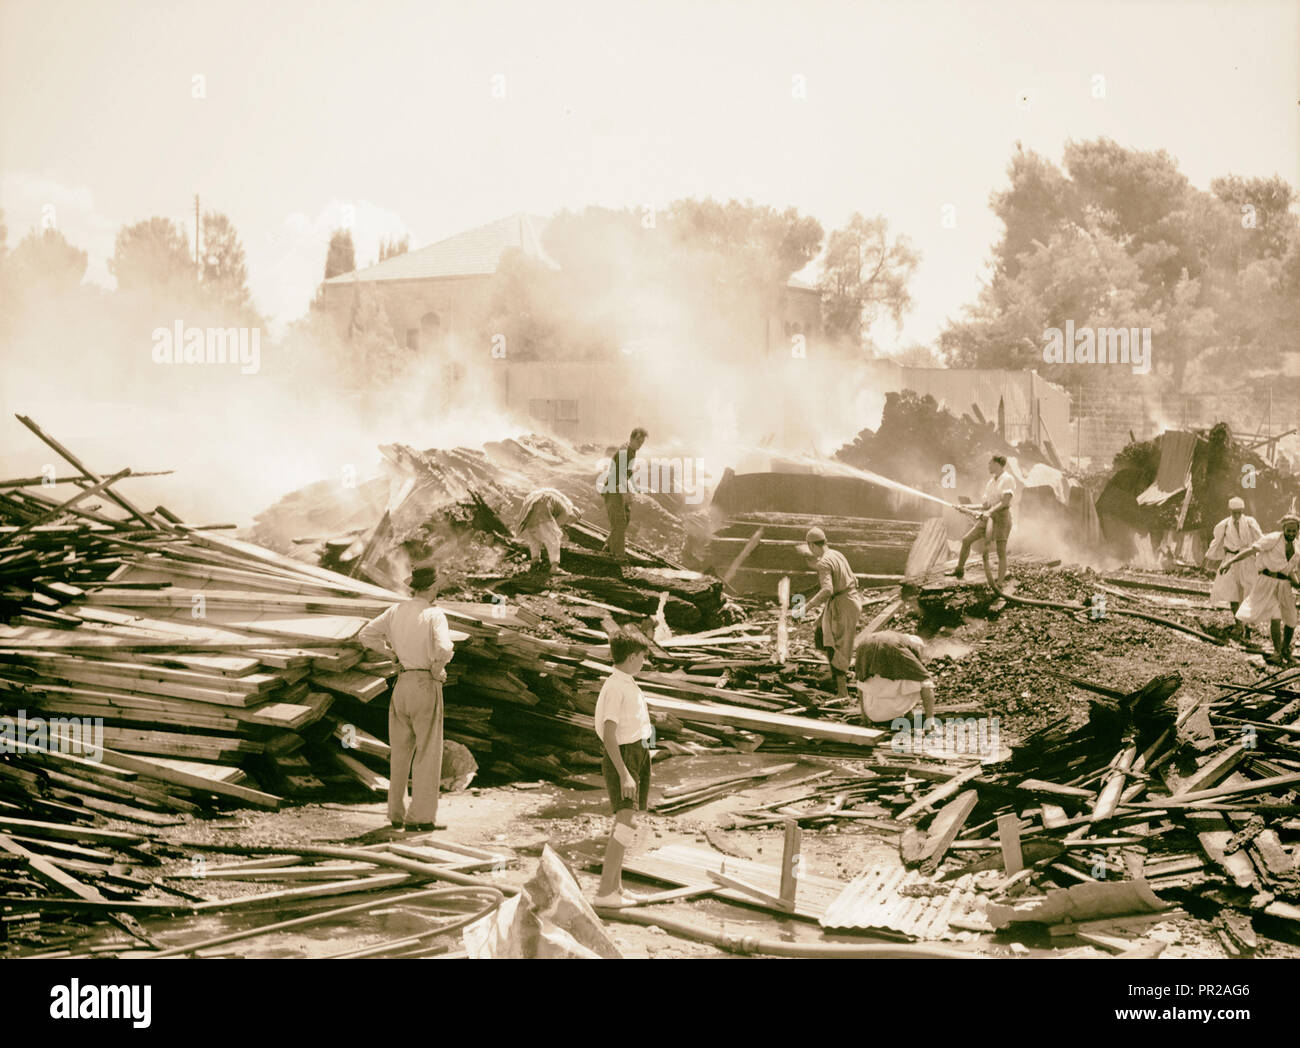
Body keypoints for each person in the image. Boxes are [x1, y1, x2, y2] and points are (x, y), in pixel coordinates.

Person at [357, 564, 455, 831]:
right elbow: (445, 648)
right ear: (433, 587)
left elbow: (365, 635)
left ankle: (396, 814)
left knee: (400, 753)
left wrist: (390, 654)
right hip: (425, 683)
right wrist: (437, 668)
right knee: (427, 751)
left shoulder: (395, 610)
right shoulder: (435, 614)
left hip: (401, 684)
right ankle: (420, 817)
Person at [593, 626, 653, 907]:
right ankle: (605, 892)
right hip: (624, 756)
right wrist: (625, 773)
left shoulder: (626, 681)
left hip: (637, 752)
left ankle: (615, 887)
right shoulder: (615, 686)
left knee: (628, 822)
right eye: (642, 656)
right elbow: (608, 734)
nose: (644, 662)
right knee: (625, 823)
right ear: (631, 657)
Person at [1220, 510, 1300, 665]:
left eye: (1294, 530)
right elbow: (1250, 550)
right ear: (1283, 529)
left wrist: (1297, 583)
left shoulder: (1297, 546)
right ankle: (1277, 653)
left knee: (1291, 620)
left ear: (1298, 530)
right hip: (1267, 582)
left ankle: (1286, 651)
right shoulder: (1273, 539)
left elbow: (1292, 570)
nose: (1291, 533)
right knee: (1275, 616)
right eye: (1288, 530)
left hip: (1285, 585)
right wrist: (1229, 562)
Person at [797, 526, 862, 698]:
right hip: (849, 599)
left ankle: (842, 692)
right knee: (820, 631)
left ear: (811, 545)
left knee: (837, 646)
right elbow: (854, 579)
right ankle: (832, 674)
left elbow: (827, 590)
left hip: (843, 604)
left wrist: (805, 607)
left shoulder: (824, 562)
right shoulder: (837, 553)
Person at [952, 454, 1016, 588]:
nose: (988, 466)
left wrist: (990, 512)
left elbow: (1005, 502)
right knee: (966, 540)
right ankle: (959, 569)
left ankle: (999, 583)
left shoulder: (1007, 479)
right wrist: (966, 507)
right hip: (989, 517)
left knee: (1001, 551)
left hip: (1002, 518)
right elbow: (986, 505)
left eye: (990, 463)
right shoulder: (991, 482)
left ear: (997, 464)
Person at [1206, 496, 1263, 638]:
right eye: (1234, 512)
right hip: (1230, 560)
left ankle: (1247, 623)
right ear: (1229, 511)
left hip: (1247, 559)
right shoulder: (1224, 525)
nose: (1236, 515)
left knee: (1248, 591)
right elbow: (1216, 542)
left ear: (1242, 510)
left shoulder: (1250, 522)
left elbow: (1260, 539)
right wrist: (1209, 558)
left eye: (1239, 512)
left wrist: (1263, 559)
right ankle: (1238, 624)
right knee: (1233, 593)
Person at [854, 630, 936, 723]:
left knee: (863, 677)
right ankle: (931, 722)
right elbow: (924, 683)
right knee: (925, 681)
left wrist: (864, 717)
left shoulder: (898, 639)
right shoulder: (912, 646)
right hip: (890, 645)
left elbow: (860, 682)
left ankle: (864, 718)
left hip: (865, 643)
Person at [600, 427, 647, 561]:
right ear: (631, 438)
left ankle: (608, 547)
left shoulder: (631, 451)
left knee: (625, 519)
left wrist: (635, 488)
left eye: (642, 443)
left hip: (618, 488)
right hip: (613, 489)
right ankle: (618, 555)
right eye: (638, 442)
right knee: (619, 522)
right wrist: (626, 495)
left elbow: (627, 473)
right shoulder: (624, 452)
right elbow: (620, 476)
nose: (640, 446)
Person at [516, 487, 580, 572]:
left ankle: (535, 560)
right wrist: (560, 535)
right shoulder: (567, 511)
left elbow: (543, 531)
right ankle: (554, 567)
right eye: (573, 521)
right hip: (541, 508)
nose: (570, 522)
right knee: (554, 538)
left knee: (534, 538)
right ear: (573, 516)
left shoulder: (560, 504)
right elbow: (554, 529)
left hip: (529, 510)